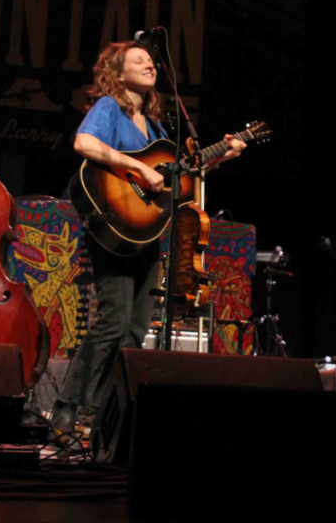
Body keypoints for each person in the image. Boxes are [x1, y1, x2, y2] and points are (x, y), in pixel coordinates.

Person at [50, 41, 245, 442]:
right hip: (113, 227)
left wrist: (224, 154)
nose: (150, 65)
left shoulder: (158, 128)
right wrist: (138, 166)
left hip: (147, 233)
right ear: (118, 74)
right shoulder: (109, 108)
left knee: (137, 329)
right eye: (139, 61)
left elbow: (181, 177)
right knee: (112, 322)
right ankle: (66, 410)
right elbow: (84, 144)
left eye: (152, 61)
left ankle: (106, 415)